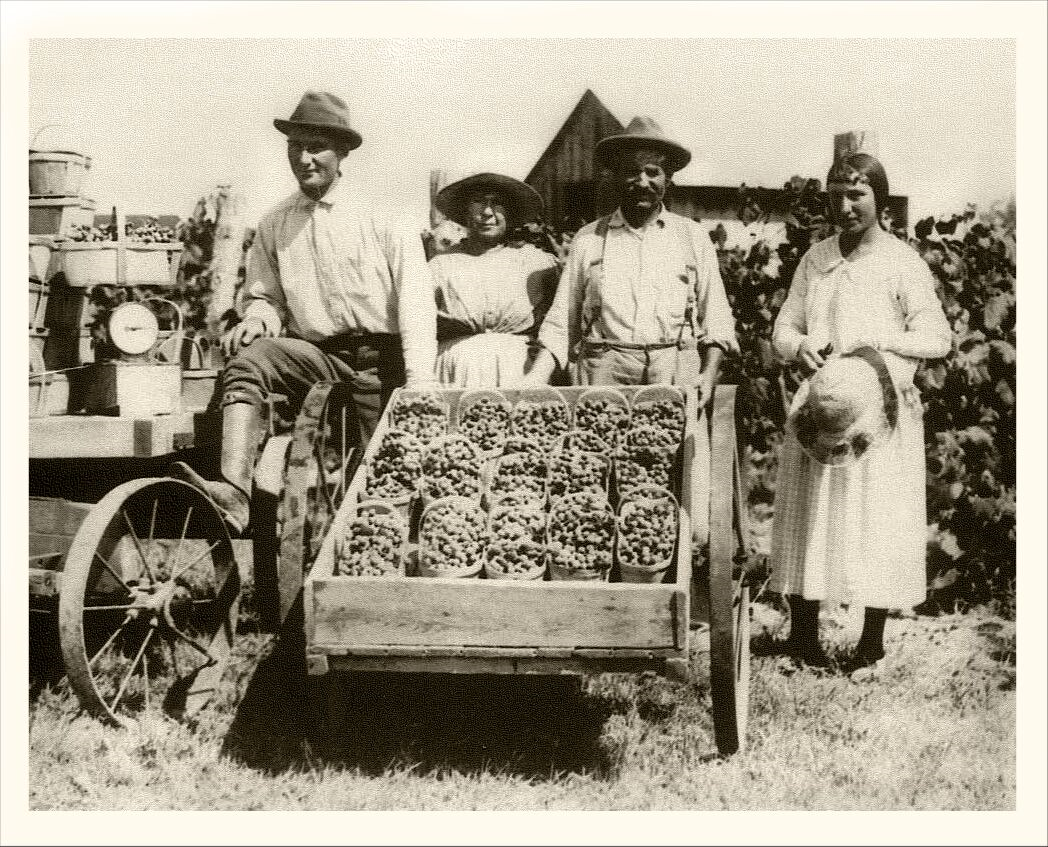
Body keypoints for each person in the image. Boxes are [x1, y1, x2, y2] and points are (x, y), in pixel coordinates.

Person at [170, 90, 437, 534]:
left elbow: (414, 298)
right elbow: (266, 296)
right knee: (250, 360)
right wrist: (258, 317)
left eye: (317, 147)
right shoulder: (277, 222)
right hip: (318, 359)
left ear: (343, 152)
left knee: (387, 482)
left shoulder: (382, 216)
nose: (305, 158)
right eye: (295, 147)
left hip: (381, 364)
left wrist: (420, 381)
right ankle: (234, 492)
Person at [766, 151, 951, 673]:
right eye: (837, 194)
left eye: (857, 194)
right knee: (810, 512)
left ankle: (870, 643)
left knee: (877, 521)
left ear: (880, 199)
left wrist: (876, 344)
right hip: (821, 411)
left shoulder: (901, 262)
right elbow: (783, 330)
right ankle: (803, 636)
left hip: (878, 416)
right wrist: (798, 347)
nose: (845, 205)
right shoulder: (816, 258)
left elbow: (937, 338)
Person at [524, 116, 737, 403]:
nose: (642, 182)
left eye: (653, 172)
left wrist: (708, 374)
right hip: (604, 372)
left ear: (668, 178)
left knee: (673, 447)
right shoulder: (589, 239)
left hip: (674, 367)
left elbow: (717, 317)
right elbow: (563, 322)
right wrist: (534, 379)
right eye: (631, 172)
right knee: (596, 444)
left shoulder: (692, 237)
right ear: (614, 176)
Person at [429, 173, 559, 387]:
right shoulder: (440, 266)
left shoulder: (538, 263)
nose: (487, 212)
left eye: (497, 203)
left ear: (510, 212)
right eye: (478, 202)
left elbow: (561, 325)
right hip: (456, 372)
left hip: (519, 372)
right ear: (465, 210)